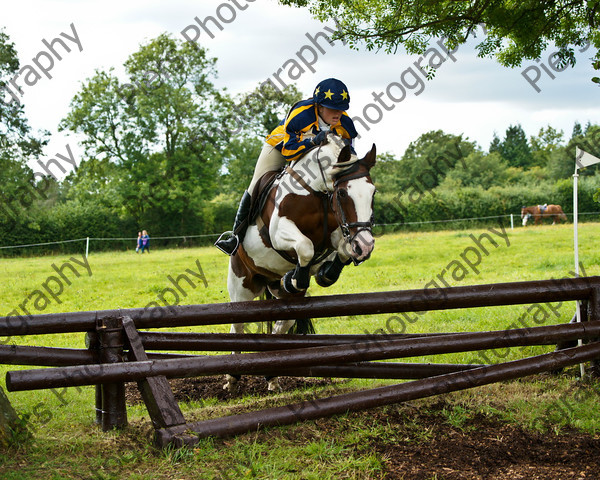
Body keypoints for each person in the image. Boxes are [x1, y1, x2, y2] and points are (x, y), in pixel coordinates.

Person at [215, 78, 358, 255]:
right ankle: (235, 236)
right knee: (256, 183)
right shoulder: (301, 114)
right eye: (333, 108)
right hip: (281, 145)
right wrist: (313, 141)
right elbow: (289, 152)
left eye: (341, 109)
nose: (338, 113)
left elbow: (349, 155)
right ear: (319, 106)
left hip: (314, 155)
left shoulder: (346, 124)